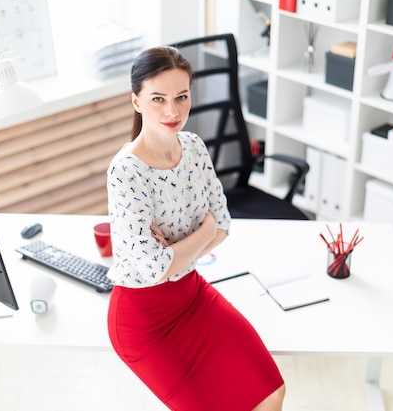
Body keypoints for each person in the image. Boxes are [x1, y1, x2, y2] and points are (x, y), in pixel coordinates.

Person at [106, 45, 286, 411]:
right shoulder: (127, 171)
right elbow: (156, 267)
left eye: (181, 97)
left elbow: (224, 224)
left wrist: (175, 251)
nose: (172, 111)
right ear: (137, 102)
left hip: (192, 295)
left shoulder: (193, 147)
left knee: (270, 391)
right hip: (144, 320)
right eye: (158, 98)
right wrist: (201, 234)